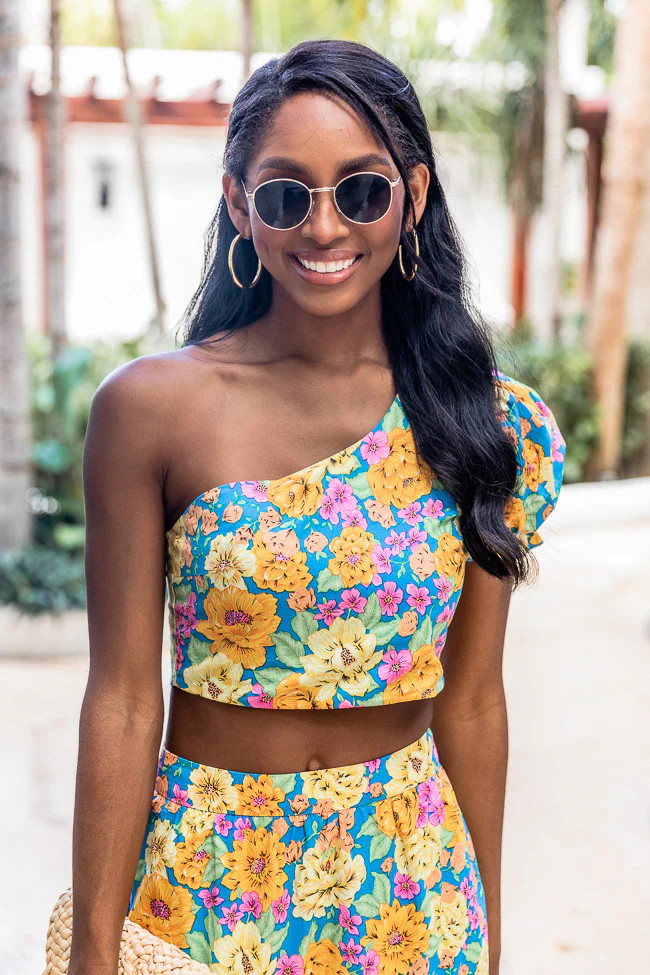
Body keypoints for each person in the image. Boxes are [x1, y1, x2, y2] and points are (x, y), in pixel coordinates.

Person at [70, 39, 566, 975]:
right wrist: (93, 954)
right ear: (238, 206)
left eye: (363, 190)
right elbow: (127, 701)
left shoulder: (487, 423)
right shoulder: (149, 410)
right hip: (208, 882)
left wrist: (490, 936)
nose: (325, 227)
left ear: (412, 198)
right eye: (286, 194)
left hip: (414, 888)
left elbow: (472, 701)